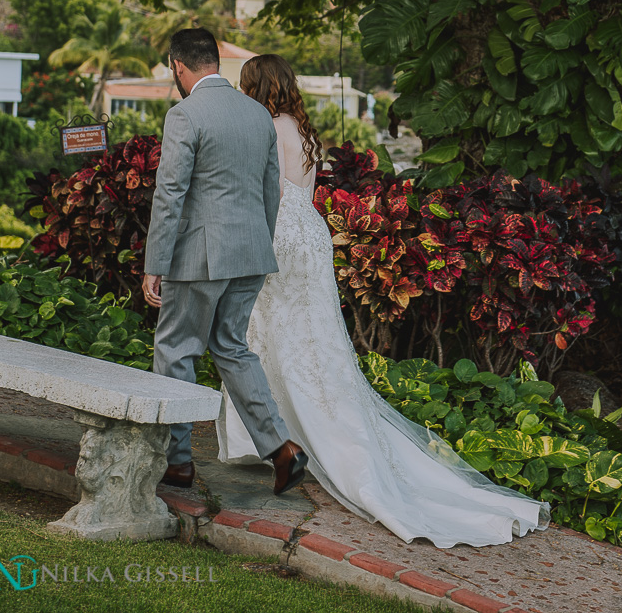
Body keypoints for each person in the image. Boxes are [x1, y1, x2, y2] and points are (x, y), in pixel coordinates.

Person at [216, 54, 550, 549]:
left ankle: (276, 438)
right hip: (311, 235)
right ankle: (282, 436)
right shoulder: (302, 129)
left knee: (259, 333)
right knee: (306, 338)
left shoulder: (265, 125)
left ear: (256, 86)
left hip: (279, 235)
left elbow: (259, 190)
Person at [142, 28, 307, 496]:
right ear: (215, 62)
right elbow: (269, 190)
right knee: (232, 348)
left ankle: (178, 465)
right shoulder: (258, 114)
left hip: (199, 257)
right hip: (252, 251)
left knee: (176, 351)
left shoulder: (184, 114)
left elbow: (170, 193)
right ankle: (280, 449)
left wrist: (156, 262)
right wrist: (260, 243)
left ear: (178, 66)